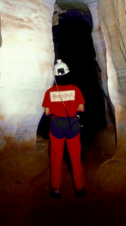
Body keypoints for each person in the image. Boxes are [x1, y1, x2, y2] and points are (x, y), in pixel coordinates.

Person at [42, 59, 86, 198]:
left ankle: (56, 189)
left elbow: (47, 112)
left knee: (56, 157)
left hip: (56, 125)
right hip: (72, 124)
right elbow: (81, 108)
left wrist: (57, 109)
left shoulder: (49, 92)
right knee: (75, 157)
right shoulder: (75, 90)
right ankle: (79, 188)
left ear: (55, 76)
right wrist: (71, 107)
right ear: (67, 74)